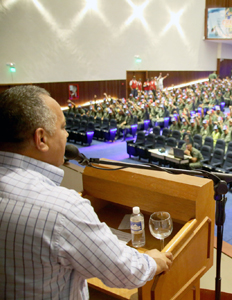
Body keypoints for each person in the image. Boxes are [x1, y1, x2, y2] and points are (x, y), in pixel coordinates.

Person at [0, 86, 173, 299]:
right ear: (41, 139)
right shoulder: (62, 209)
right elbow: (125, 273)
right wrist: (152, 261)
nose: (67, 135)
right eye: (63, 127)